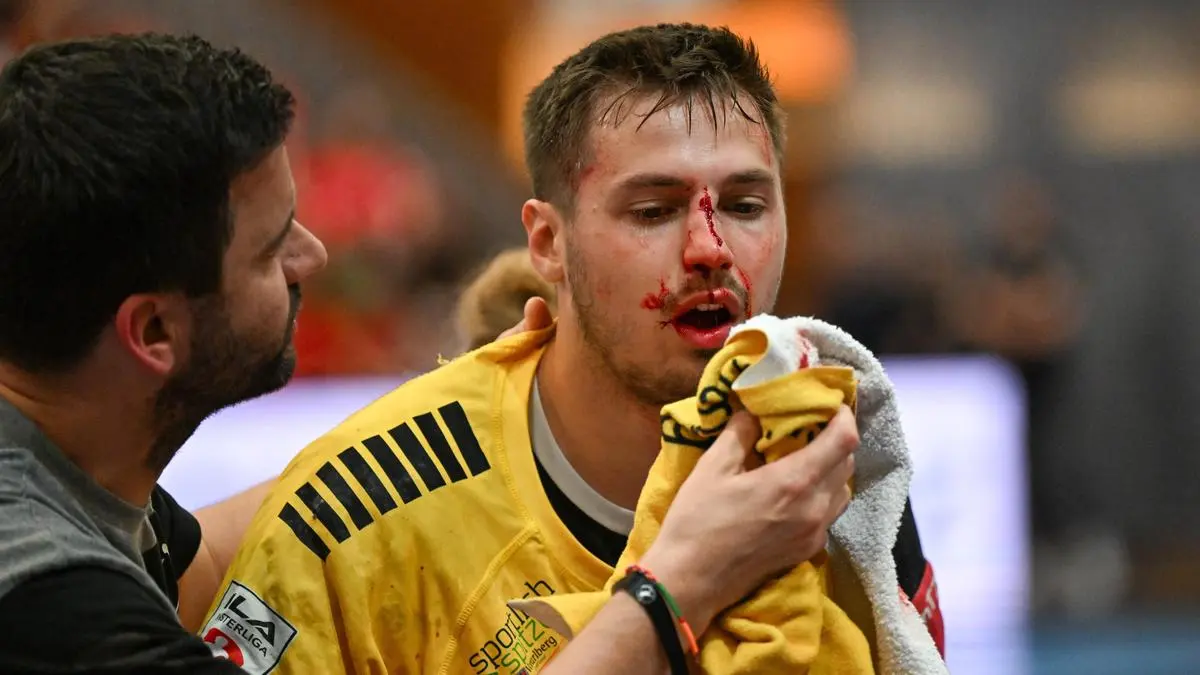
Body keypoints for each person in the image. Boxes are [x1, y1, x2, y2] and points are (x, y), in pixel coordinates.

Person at [210, 23, 940, 675]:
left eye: (746, 205)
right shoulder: (359, 518)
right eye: (652, 210)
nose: (710, 248)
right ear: (548, 243)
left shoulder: (832, 463)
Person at [0, 32, 327, 673]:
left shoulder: (75, 456)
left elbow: (210, 566)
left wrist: (474, 408)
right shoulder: (50, 599)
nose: (311, 256)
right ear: (153, 332)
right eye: (272, 249)